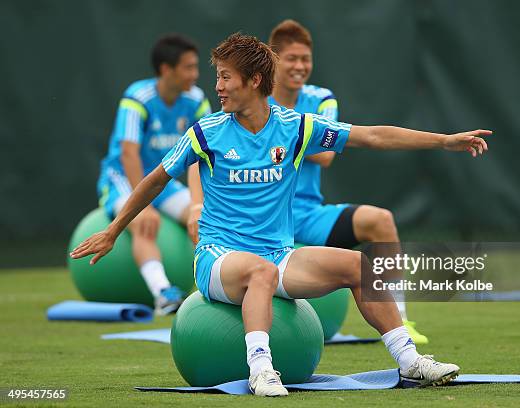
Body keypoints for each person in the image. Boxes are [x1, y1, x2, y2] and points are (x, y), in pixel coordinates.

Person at [72, 33, 491, 397]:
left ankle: (410, 361)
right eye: (216, 75)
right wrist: (113, 230)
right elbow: (155, 179)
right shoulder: (206, 132)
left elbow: (373, 135)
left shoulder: (297, 127)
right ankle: (260, 369)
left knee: (359, 265)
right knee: (260, 274)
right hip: (218, 257)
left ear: (253, 81)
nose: (216, 86)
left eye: (224, 77)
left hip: (279, 253)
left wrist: (443, 140)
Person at [266, 19, 428, 344]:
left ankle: (402, 319)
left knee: (380, 220)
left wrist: (274, 140)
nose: (300, 66)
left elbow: (326, 155)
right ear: (273, 59)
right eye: (291, 58)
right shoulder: (255, 100)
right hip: (266, 220)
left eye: (305, 59)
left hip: (309, 217)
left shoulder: (322, 97)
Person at [96, 34, 211, 315]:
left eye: (196, 67)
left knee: (206, 222)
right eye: (188, 67)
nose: (195, 75)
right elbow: (128, 153)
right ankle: (163, 294)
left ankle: (212, 291)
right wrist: (143, 204)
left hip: (164, 183)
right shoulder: (137, 98)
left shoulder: (196, 100)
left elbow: (201, 155)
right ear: (166, 69)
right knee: (144, 222)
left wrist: (197, 205)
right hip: (124, 179)